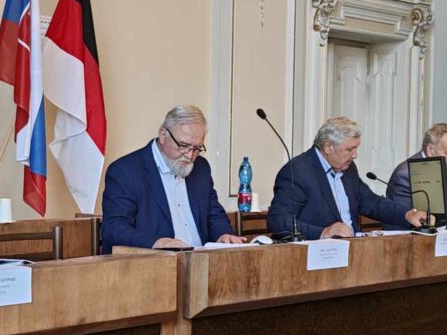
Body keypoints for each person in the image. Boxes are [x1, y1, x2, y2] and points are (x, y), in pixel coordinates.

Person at [101, 105, 245, 253]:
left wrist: (223, 235)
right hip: (156, 262)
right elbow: (113, 228)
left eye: (197, 148)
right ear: (163, 135)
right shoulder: (126, 171)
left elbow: (214, 215)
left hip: (201, 259)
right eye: (183, 145)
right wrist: (156, 242)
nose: (190, 156)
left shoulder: (201, 167)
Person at [267, 116, 429, 239]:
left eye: (356, 148)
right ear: (328, 147)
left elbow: (371, 202)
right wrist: (323, 232)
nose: (355, 155)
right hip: (317, 256)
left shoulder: (348, 168)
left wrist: (407, 215)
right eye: (349, 149)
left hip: (353, 249)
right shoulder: (297, 171)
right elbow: (278, 220)